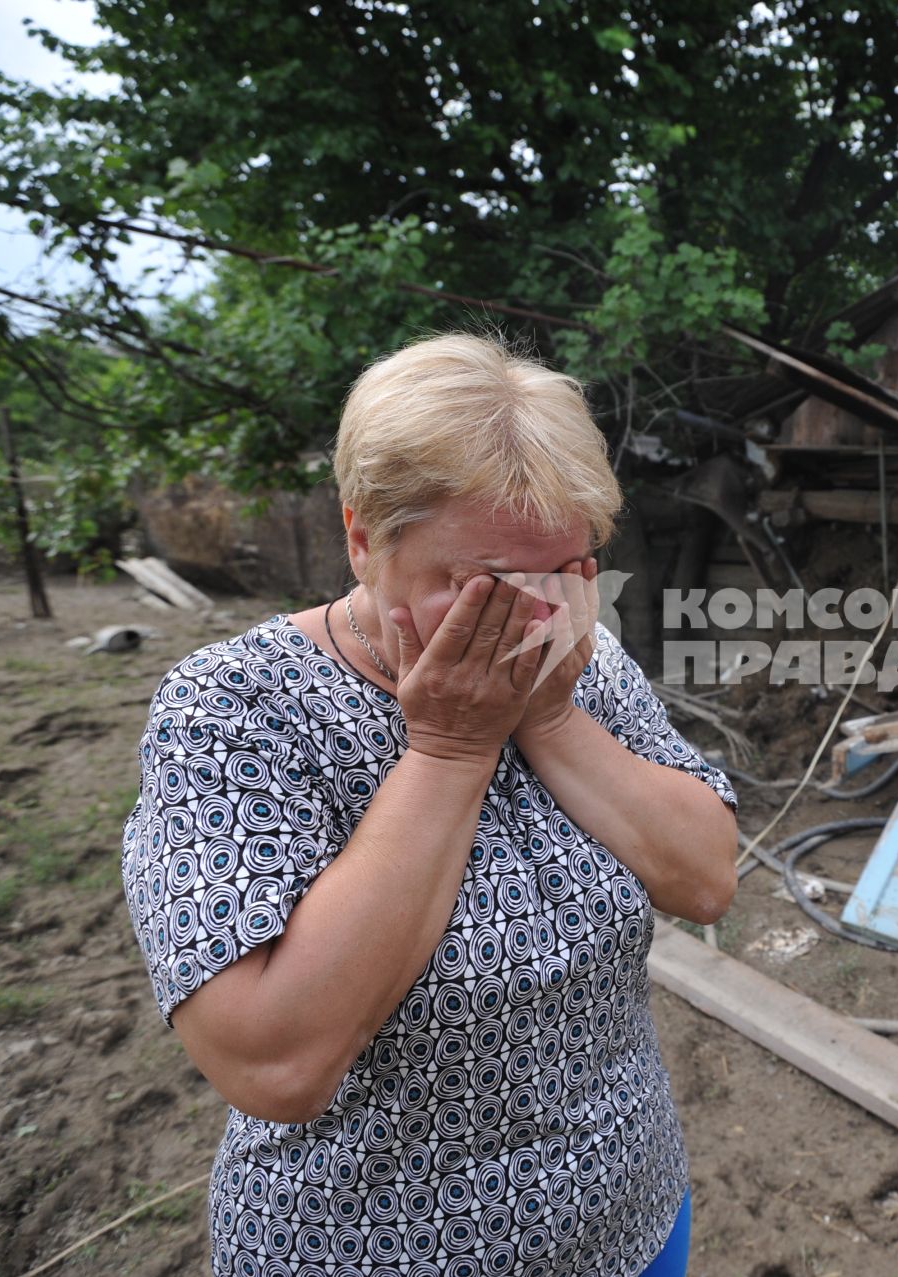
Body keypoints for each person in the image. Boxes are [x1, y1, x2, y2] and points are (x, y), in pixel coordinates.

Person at [119, 332, 738, 1277]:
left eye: (568, 569)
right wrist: (451, 748)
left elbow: (707, 878)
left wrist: (554, 716)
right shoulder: (234, 706)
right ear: (364, 539)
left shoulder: (583, 660)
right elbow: (275, 1064)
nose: (534, 614)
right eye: (485, 582)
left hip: (632, 1217)